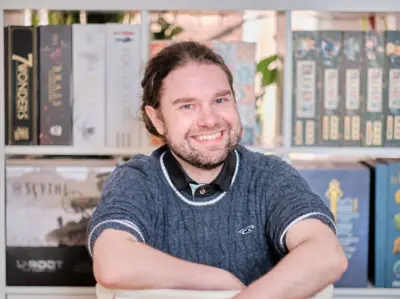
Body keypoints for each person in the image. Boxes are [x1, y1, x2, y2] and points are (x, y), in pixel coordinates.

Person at [87, 41, 347, 299]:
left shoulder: (269, 176)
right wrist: (216, 280)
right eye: (187, 106)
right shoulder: (137, 180)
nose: (210, 120)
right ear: (158, 119)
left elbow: (326, 254)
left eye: (220, 100)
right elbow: (112, 262)